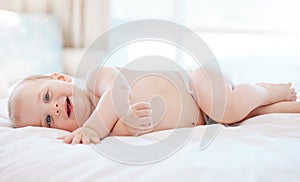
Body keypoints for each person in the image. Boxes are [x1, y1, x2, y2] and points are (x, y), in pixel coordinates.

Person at [8, 66, 299, 144]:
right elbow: (130, 127)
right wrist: (128, 124)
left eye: (47, 97)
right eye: (47, 120)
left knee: (227, 107)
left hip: (198, 84)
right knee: (236, 117)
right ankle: (288, 107)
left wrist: (95, 127)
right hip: (205, 118)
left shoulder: (95, 77)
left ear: (60, 77)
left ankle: (267, 90)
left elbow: (118, 90)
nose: (54, 109)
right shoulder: (107, 127)